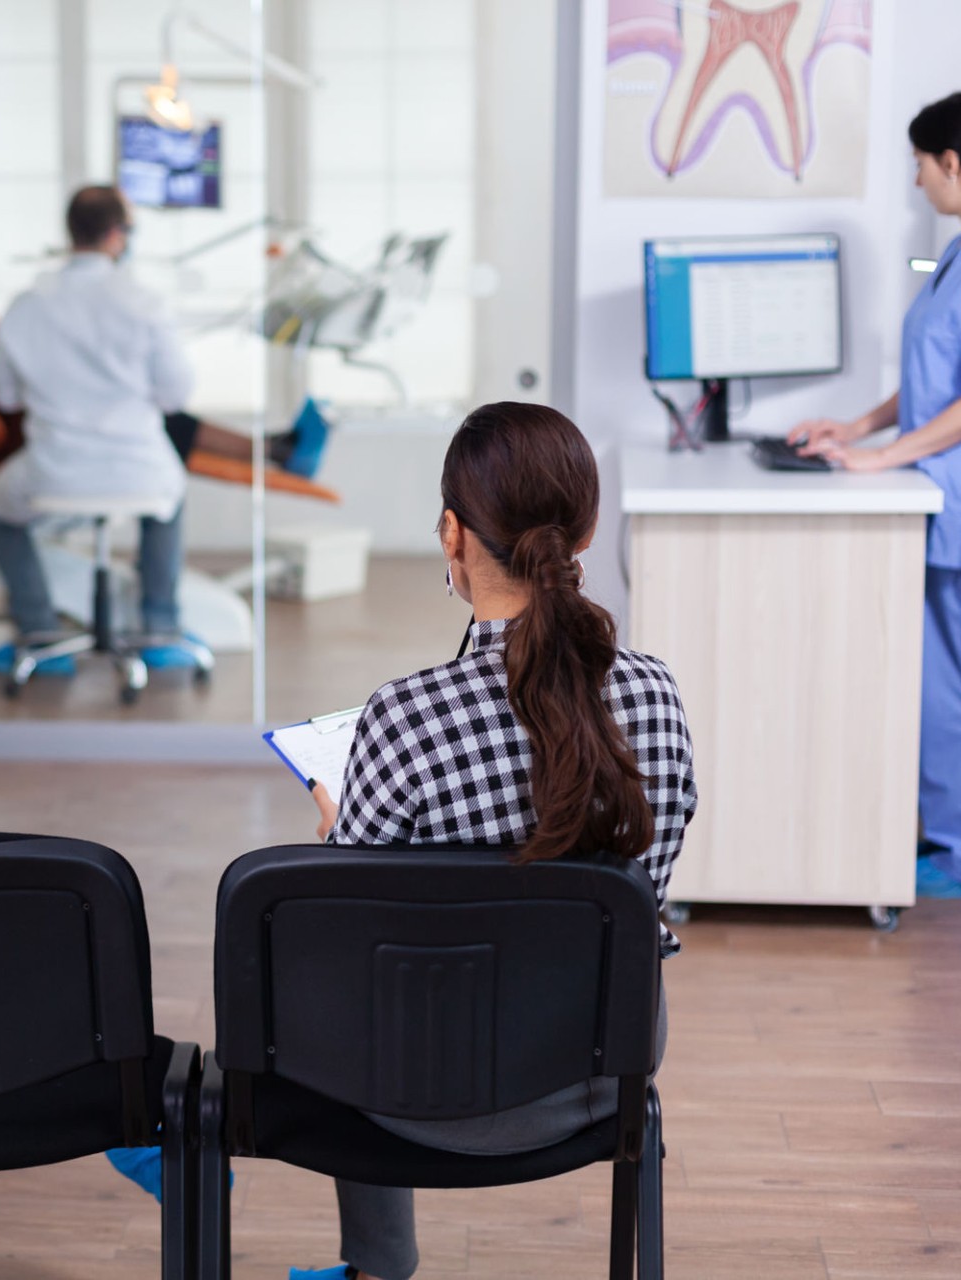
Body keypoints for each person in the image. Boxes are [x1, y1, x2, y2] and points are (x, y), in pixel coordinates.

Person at [296, 403, 697, 1280]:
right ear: (586, 530)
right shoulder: (656, 696)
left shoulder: (404, 718)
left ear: (452, 534)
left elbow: (355, 925)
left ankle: (378, 1266)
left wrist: (338, 834)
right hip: (597, 1073)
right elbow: (647, 886)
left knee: (338, 970)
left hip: (409, 1094)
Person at [789, 92, 961, 900]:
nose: (914, 181)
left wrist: (885, 459)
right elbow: (933, 382)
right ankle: (953, 841)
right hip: (945, 498)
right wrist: (859, 427)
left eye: (918, 163)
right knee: (942, 680)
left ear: (950, 163)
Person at [0, 221, 331, 480]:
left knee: (157, 418)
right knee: (155, 417)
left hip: (41, 424)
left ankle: (275, 448)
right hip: (40, 435)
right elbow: (12, 386)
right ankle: (275, 451)